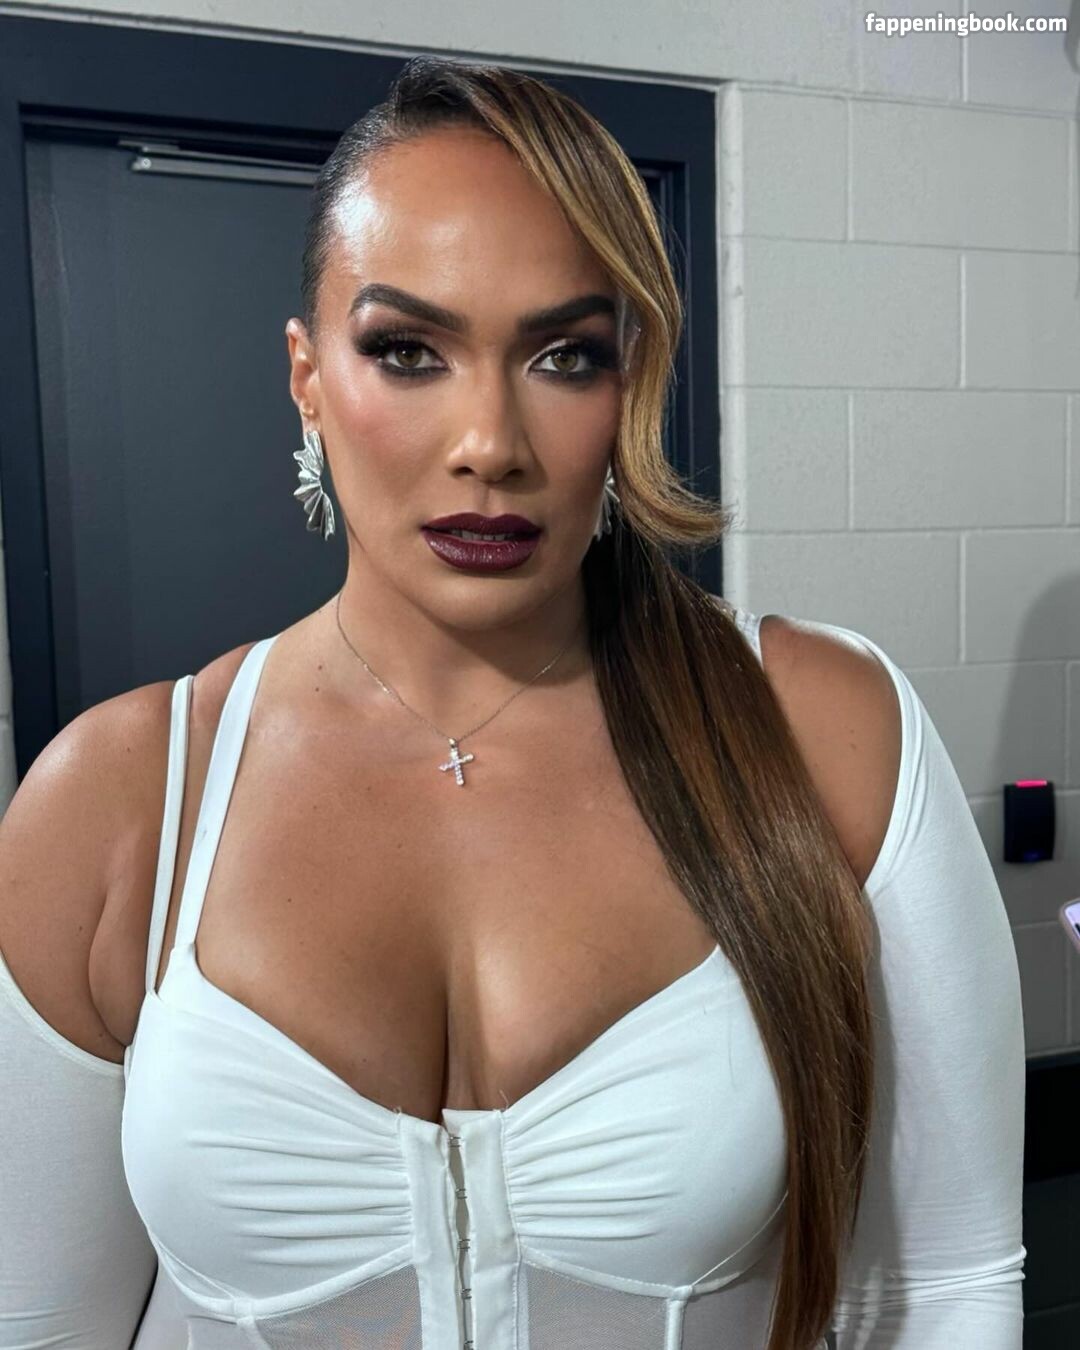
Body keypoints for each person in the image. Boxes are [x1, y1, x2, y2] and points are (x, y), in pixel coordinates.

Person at [0, 56, 1026, 1350]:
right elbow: (37, 1324)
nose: (490, 440)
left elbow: (950, 1288)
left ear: (628, 382)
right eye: (407, 350)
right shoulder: (117, 799)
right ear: (308, 376)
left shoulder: (822, 731)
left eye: (561, 354)